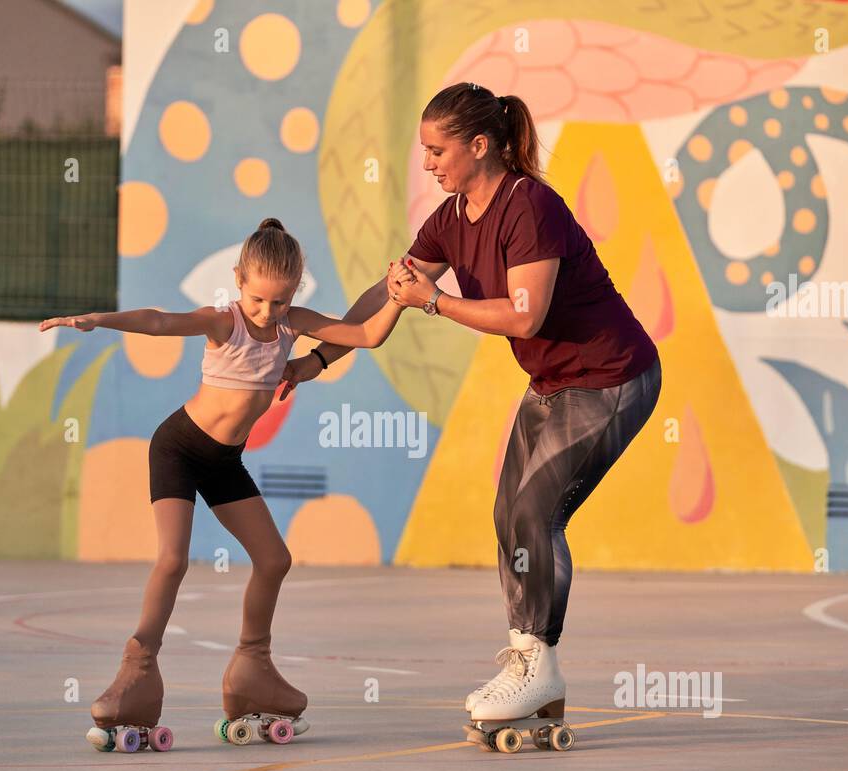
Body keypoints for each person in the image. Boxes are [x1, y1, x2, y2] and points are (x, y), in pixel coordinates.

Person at [280, 83, 662, 731]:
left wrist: (434, 301)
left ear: (479, 146)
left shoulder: (530, 206)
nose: (427, 163)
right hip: (553, 383)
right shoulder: (451, 219)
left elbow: (524, 314)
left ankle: (536, 664)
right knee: (508, 514)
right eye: (423, 150)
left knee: (535, 512)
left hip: (613, 377)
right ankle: (531, 670)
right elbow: (382, 306)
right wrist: (313, 357)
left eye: (437, 150)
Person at [40, 218, 408, 750]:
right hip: (179, 448)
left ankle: (252, 667)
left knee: (274, 559)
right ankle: (136, 671)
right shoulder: (224, 322)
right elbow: (162, 321)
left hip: (224, 460)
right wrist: (99, 320)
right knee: (172, 560)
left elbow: (366, 333)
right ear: (239, 280)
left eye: (280, 302)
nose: (267, 312)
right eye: (258, 299)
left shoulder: (292, 325)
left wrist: (398, 298)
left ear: (294, 293)